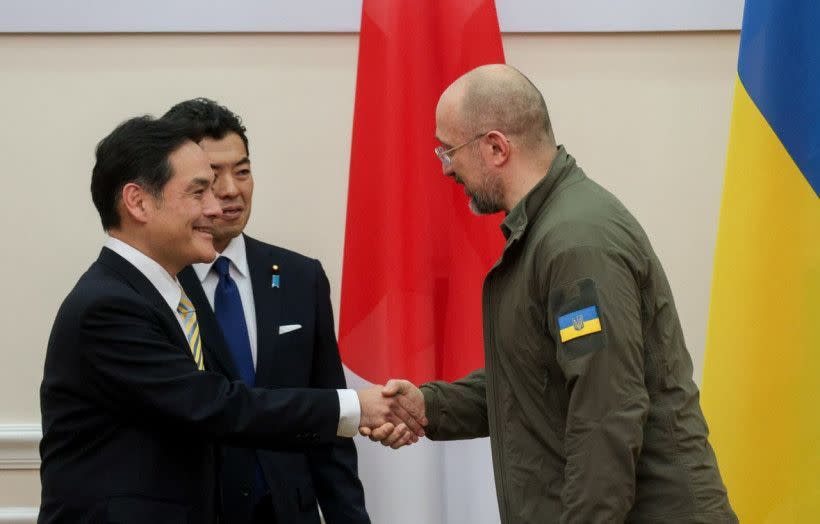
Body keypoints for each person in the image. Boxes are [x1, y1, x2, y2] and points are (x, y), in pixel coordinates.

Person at [367, 64, 737, 523]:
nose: (446, 168)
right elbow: (536, 380)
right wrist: (430, 406)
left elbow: (606, 413)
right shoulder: (548, 231)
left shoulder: (576, 242)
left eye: (449, 149)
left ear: (496, 147)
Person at [38, 116, 424, 524]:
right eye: (198, 191)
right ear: (138, 202)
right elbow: (212, 405)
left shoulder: (151, 293)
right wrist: (354, 407)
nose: (216, 205)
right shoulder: (109, 307)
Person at [163, 98, 370, 524]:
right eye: (211, 177)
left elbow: (327, 418)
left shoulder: (299, 276)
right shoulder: (158, 284)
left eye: (242, 171)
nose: (231, 190)